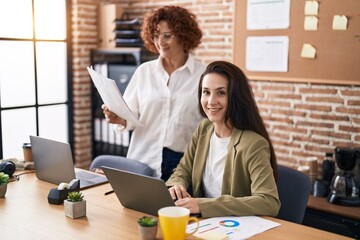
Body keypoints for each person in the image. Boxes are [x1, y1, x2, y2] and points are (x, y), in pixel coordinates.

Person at [99, 5, 206, 180]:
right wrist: (118, 118)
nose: (160, 42)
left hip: (182, 165)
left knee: (175, 208)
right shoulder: (144, 71)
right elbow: (130, 115)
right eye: (156, 36)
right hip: (142, 159)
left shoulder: (203, 74)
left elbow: (209, 124)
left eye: (167, 35)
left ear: (184, 35)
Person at [166, 61, 281, 218]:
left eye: (221, 93)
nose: (211, 101)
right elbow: (184, 169)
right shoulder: (204, 129)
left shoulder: (253, 144)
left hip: (234, 228)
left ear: (235, 96)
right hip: (204, 224)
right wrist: (177, 185)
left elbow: (269, 202)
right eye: (206, 92)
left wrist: (202, 205)